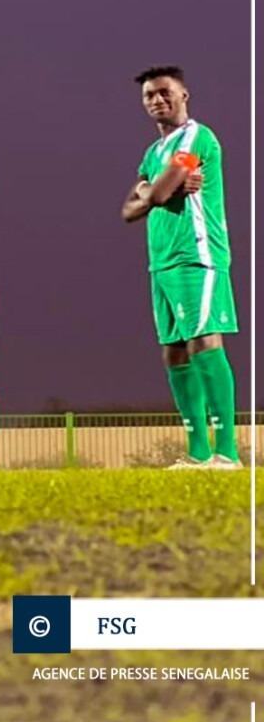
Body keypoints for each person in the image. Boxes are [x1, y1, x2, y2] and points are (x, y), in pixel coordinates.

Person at [120, 66, 240, 470]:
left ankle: (227, 451)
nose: (156, 100)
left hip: (197, 255)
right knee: (174, 354)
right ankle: (198, 452)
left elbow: (152, 192)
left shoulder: (196, 137)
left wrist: (151, 192)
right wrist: (151, 192)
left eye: (164, 92)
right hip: (162, 261)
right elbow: (129, 210)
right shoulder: (152, 152)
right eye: (149, 96)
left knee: (206, 342)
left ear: (184, 94)